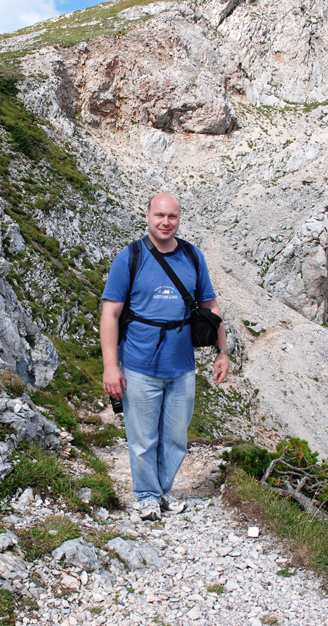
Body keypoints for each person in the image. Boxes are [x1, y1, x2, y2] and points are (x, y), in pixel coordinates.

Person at [100, 192, 230, 521]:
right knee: (143, 438)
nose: (165, 222)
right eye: (159, 215)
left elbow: (210, 307)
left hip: (183, 365)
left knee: (175, 439)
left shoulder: (192, 256)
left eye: (172, 216)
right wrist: (110, 366)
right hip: (140, 364)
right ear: (147, 216)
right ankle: (146, 496)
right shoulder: (129, 257)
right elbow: (110, 314)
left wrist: (223, 351)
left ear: (179, 219)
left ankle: (162, 492)